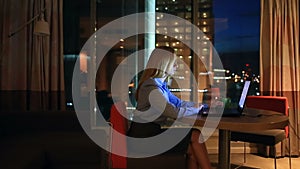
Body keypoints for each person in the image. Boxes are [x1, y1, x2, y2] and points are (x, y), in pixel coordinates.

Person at [127, 46, 212, 169]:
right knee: (195, 135)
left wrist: (198, 105)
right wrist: (196, 110)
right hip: (145, 138)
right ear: (164, 65)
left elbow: (178, 103)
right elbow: (172, 112)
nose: (177, 66)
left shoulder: (159, 85)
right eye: (174, 64)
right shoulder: (151, 88)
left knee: (193, 148)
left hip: (151, 134)